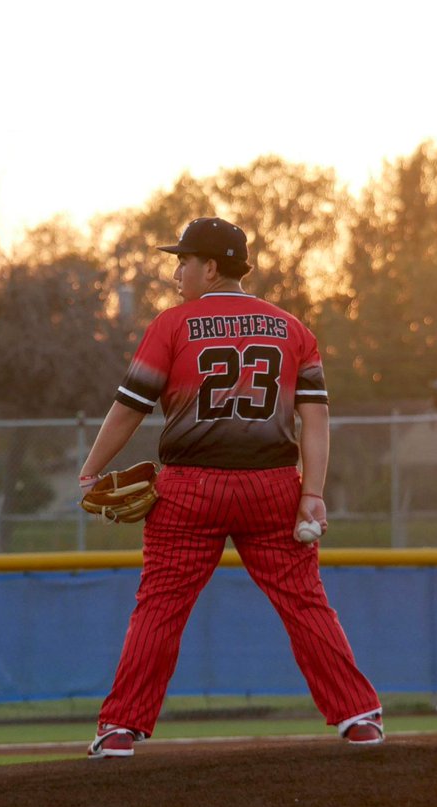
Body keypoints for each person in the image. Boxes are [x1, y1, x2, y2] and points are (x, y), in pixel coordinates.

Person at [79, 216, 383, 759]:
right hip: (273, 488)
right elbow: (315, 417)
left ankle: (120, 728)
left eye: (184, 261)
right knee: (305, 603)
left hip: (190, 489)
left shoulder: (172, 325)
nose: (177, 272)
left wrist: (90, 470)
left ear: (211, 267)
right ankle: (358, 717)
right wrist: (312, 492)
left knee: (160, 607)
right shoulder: (292, 328)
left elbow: (130, 407)